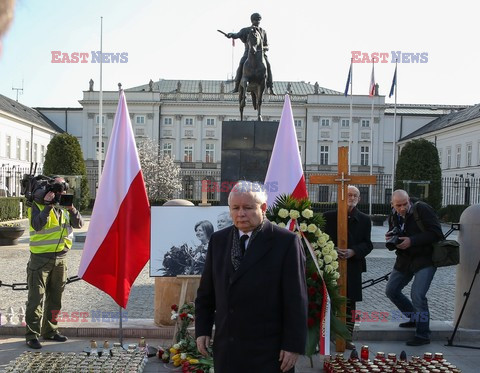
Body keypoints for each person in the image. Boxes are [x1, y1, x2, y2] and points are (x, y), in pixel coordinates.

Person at [195, 181, 307, 373]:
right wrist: (203, 330)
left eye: (247, 208)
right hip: (228, 348)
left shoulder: (286, 242)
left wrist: (293, 345)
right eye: (235, 208)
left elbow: (296, 299)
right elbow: (207, 292)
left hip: (269, 352)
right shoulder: (218, 240)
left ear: (262, 208)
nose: (241, 214)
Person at [25, 177, 83, 349]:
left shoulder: (64, 207)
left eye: (63, 189)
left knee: (55, 299)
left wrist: (71, 208)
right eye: (58, 189)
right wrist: (48, 206)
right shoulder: (37, 205)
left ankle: (50, 331)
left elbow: (79, 223)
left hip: (61, 259)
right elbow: (37, 224)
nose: (61, 193)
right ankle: (31, 335)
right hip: (40, 259)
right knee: (36, 298)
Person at [385, 189, 443, 346]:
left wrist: (412, 240)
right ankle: (414, 318)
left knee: (418, 295)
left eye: (405, 204)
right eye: (398, 205)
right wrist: (391, 238)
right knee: (391, 290)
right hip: (404, 259)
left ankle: (423, 334)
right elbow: (398, 233)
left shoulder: (422, 209)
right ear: (392, 204)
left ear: (409, 200)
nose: (403, 208)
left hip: (425, 259)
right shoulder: (393, 214)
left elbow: (437, 233)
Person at [323, 185, 373, 350]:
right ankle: (326, 336)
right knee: (328, 300)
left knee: (350, 303)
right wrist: (332, 250)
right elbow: (320, 239)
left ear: (359, 199)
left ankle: (346, 337)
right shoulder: (328, 216)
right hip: (331, 266)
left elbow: (368, 244)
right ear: (341, 197)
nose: (351, 198)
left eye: (355, 195)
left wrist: (353, 251)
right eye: (349, 194)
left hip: (352, 267)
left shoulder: (365, 219)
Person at [227, 13, 276, 95]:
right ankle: (236, 86)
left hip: (261, 55)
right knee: (241, 63)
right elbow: (237, 35)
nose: (257, 22)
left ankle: (270, 86)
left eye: (258, 20)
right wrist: (231, 35)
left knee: (268, 65)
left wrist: (262, 48)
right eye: (255, 20)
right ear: (252, 20)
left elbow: (267, 45)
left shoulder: (263, 32)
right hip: (248, 53)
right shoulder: (245, 30)